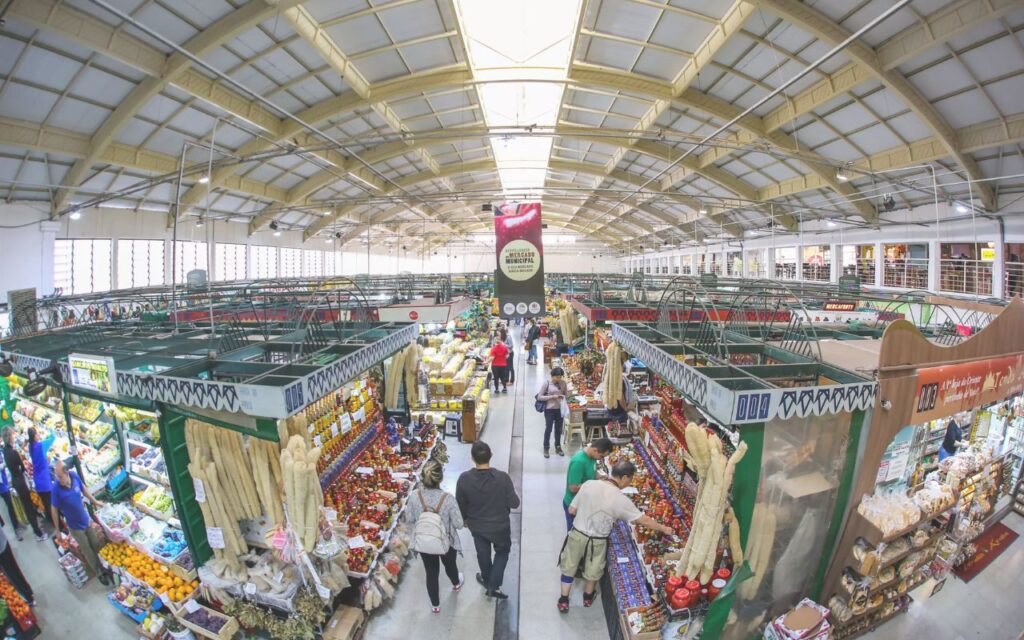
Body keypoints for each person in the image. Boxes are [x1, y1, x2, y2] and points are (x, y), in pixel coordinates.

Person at [557, 461, 673, 612]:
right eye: (630, 479)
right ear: (625, 477)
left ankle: (564, 600)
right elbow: (643, 520)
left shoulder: (589, 484)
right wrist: (664, 529)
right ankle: (587, 597)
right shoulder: (621, 500)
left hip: (577, 534)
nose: (629, 482)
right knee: (593, 571)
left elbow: (572, 510)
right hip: (598, 541)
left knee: (568, 567)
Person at [455, 441, 519, 600]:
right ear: (491, 455)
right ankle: (493, 585)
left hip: (477, 526)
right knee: (502, 552)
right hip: (500, 526)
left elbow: (460, 504)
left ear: (472, 458)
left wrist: (464, 519)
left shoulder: (464, 479)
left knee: (482, 553)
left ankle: (486, 577)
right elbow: (514, 503)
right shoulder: (503, 478)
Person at [405, 460, 464, 614]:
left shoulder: (414, 497)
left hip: (425, 541)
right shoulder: (448, 498)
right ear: (441, 478)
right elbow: (458, 523)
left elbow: (409, 520)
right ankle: (456, 583)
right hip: (446, 541)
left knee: (431, 572)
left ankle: (435, 605)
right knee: (450, 565)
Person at [51, 459, 110, 585]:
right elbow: (54, 509)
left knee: (96, 543)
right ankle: (99, 573)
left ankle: (105, 566)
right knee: (87, 550)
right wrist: (57, 529)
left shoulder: (73, 475)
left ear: (66, 472)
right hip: (75, 527)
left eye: (60, 476)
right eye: (56, 476)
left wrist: (95, 501)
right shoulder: (56, 488)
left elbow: (83, 488)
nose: (58, 479)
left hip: (85, 519)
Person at [1, 429, 45, 541]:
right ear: (10, 437)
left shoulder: (5, 450)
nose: (14, 437)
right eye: (12, 435)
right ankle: (38, 533)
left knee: (27, 506)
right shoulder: (13, 452)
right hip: (21, 482)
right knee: (29, 507)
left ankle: (37, 530)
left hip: (16, 482)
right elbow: (22, 467)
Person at [563, 438, 614, 530]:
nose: (601, 459)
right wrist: (595, 484)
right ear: (595, 450)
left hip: (584, 502)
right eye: (601, 456)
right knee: (574, 533)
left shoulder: (592, 457)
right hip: (573, 504)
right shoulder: (579, 462)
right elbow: (573, 487)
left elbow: (592, 472)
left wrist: (600, 477)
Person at [536, 367, 568, 458]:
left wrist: (563, 397)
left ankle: (558, 446)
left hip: (559, 409)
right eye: (557, 377)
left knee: (558, 429)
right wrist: (551, 397)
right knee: (548, 428)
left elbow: (566, 395)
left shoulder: (563, 383)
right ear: (552, 376)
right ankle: (546, 447)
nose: (558, 379)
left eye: (560, 377)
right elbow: (539, 397)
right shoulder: (546, 384)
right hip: (549, 410)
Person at [0, 527, 33, 606]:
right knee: (14, 570)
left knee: (11, 575)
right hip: (3, 542)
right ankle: (28, 591)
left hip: (1, 549)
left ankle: (27, 597)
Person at [27, 428, 55, 519]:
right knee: (50, 504)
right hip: (44, 481)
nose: (39, 435)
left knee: (45, 503)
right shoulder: (41, 446)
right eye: (37, 434)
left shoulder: (30, 446)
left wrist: (46, 462)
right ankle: (56, 523)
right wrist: (51, 430)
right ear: (34, 436)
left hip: (37, 479)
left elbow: (38, 460)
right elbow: (53, 437)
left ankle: (50, 519)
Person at [0, 460, 18, 537]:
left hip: (6, 484)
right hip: (3, 488)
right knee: (10, 506)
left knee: (13, 505)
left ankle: (17, 523)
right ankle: (16, 528)